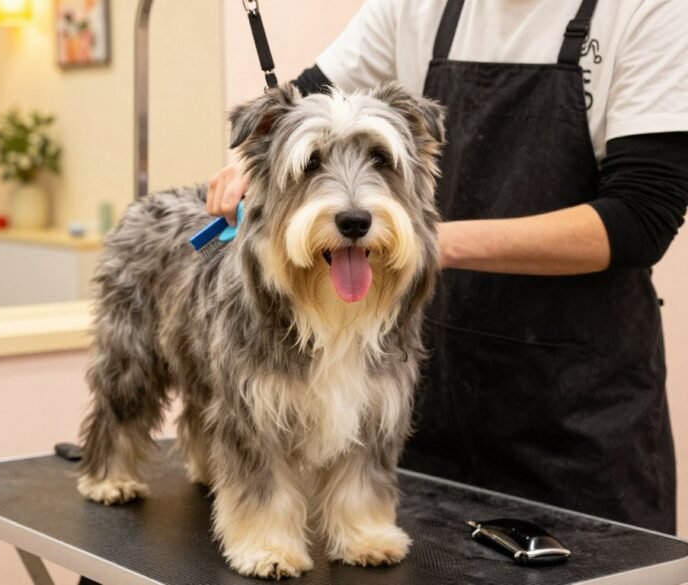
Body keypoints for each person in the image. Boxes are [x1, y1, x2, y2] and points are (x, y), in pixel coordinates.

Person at [207, 0, 688, 534]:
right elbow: (309, 106)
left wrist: (429, 242)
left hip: (577, 424)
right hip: (438, 411)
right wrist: (252, 168)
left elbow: (641, 217)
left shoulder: (648, 9)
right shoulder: (415, 6)